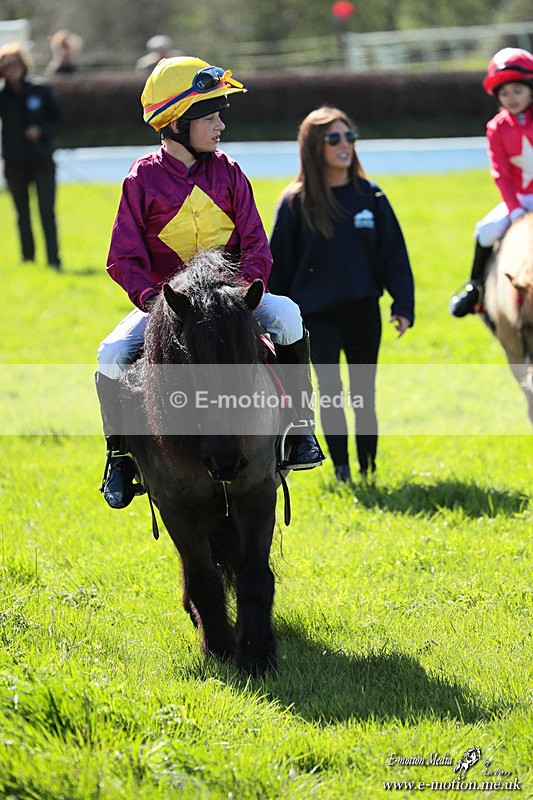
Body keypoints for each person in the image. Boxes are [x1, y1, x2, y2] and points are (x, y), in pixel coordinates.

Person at [96, 56, 324, 509]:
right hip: (167, 306)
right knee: (112, 353)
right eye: (211, 116)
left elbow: (257, 244)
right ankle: (119, 456)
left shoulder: (230, 172)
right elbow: (123, 257)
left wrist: (244, 292)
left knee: (288, 315)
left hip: (234, 300)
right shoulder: (141, 179)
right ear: (177, 123)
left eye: (220, 115)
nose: (220, 125)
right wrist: (153, 301)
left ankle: (300, 426)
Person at [269, 105, 415, 483]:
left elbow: (394, 255)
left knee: (363, 394)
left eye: (349, 136)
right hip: (316, 317)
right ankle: (342, 471)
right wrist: (267, 322)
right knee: (331, 394)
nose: (344, 144)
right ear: (314, 146)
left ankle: (368, 469)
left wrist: (403, 304)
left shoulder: (371, 195)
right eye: (334, 138)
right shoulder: (294, 202)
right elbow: (278, 268)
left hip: (363, 310)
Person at [450, 47, 533, 317]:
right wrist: (516, 210)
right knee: (485, 231)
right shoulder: (496, 128)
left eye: (517, 91)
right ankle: (476, 291)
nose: (512, 98)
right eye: (505, 93)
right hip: (518, 200)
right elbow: (501, 173)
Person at [0, 42, 63, 269]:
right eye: (5, 65)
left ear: (23, 64)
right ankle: (28, 259)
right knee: (21, 214)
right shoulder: (2, 96)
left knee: (47, 211)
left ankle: (53, 260)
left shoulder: (40, 90)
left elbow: (59, 119)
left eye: (15, 63)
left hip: (41, 160)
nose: (11, 68)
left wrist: (42, 130)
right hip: (14, 162)